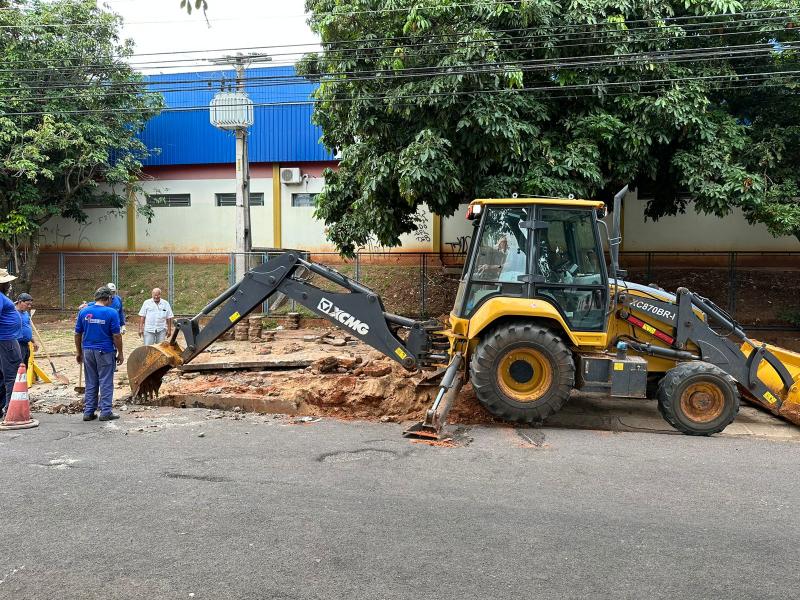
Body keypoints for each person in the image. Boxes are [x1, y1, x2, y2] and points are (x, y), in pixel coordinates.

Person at [75, 287, 124, 422]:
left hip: (88, 351)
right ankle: (105, 411)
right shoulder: (111, 312)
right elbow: (116, 335)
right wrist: (120, 353)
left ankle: (89, 412)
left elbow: (77, 334)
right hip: (105, 351)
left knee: (91, 381)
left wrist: (79, 352)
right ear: (108, 298)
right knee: (106, 381)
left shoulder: (84, 312)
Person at [0, 269, 22, 417]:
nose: (9, 285)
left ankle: (4, 407)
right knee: (12, 374)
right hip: (6, 341)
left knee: (3, 376)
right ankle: (10, 409)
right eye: (7, 282)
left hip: (5, 340)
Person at [15, 293, 37, 370]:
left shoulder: (26, 313)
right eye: (27, 304)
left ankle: (23, 382)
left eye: (30, 304)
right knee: (17, 368)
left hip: (26, 345)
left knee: (25, 367)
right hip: (17, 345)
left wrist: (33, 341)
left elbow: (28, 328)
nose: (29, 306)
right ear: (20, 302)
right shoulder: (13, 313)